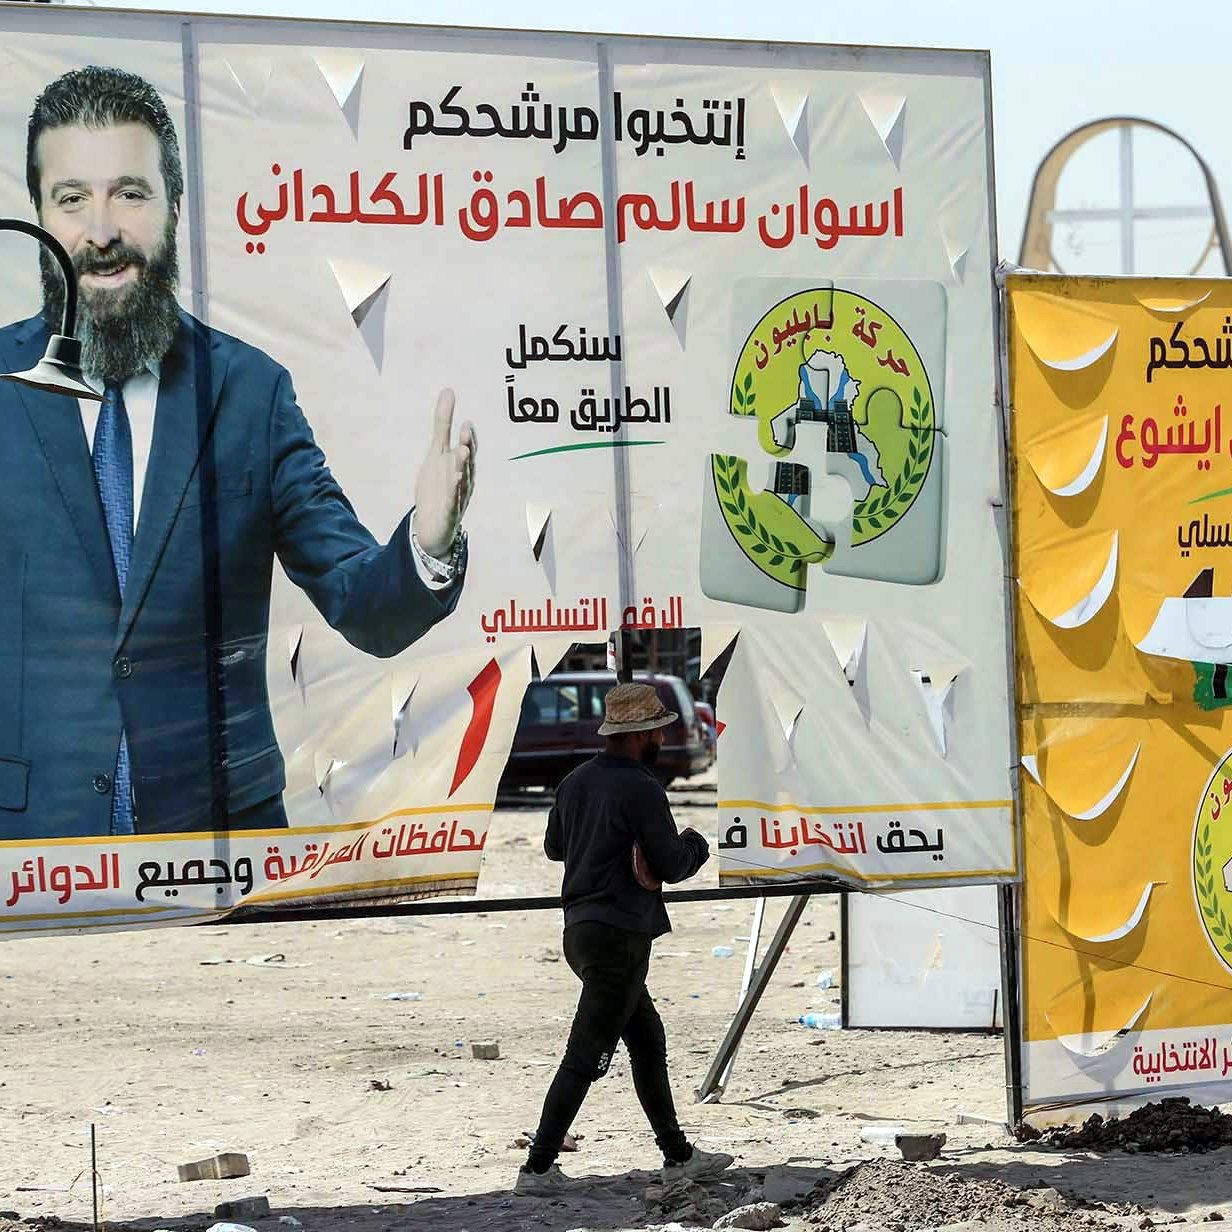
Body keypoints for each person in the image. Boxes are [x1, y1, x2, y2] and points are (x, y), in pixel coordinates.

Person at [0, 66, 476, 840]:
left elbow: (365, 605)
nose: (101, 230)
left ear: (175, 207)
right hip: (28, 849)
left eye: (130, 192)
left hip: (223, 841)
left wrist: (428, 543)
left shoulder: (250, 392)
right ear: (40, 216)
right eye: (71, 199)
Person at [515, 681, 734, 1196]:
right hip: (622, 935)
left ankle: (678, 1154)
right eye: (659, 729)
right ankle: (538, 1168)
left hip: (582, 931)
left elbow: (554, 848)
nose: (663, 736)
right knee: (586, 1053)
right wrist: (696, 845)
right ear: (643, 735)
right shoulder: (640, 787)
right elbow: (674, 866)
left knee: (646, 1039)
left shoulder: (574, 781)